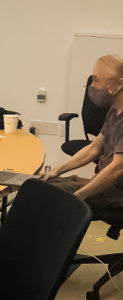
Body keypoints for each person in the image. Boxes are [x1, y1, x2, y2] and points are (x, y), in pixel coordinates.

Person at [41, 54, 123, 212]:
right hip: (108, 184)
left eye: (97, 80)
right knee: (43, 184)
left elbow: (117, 168)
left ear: (118, 84)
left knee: (47, 195)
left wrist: (78, 197)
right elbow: (94, 149)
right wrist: (57, 170)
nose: (92, 85)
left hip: (118, 190)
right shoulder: (114, 110)